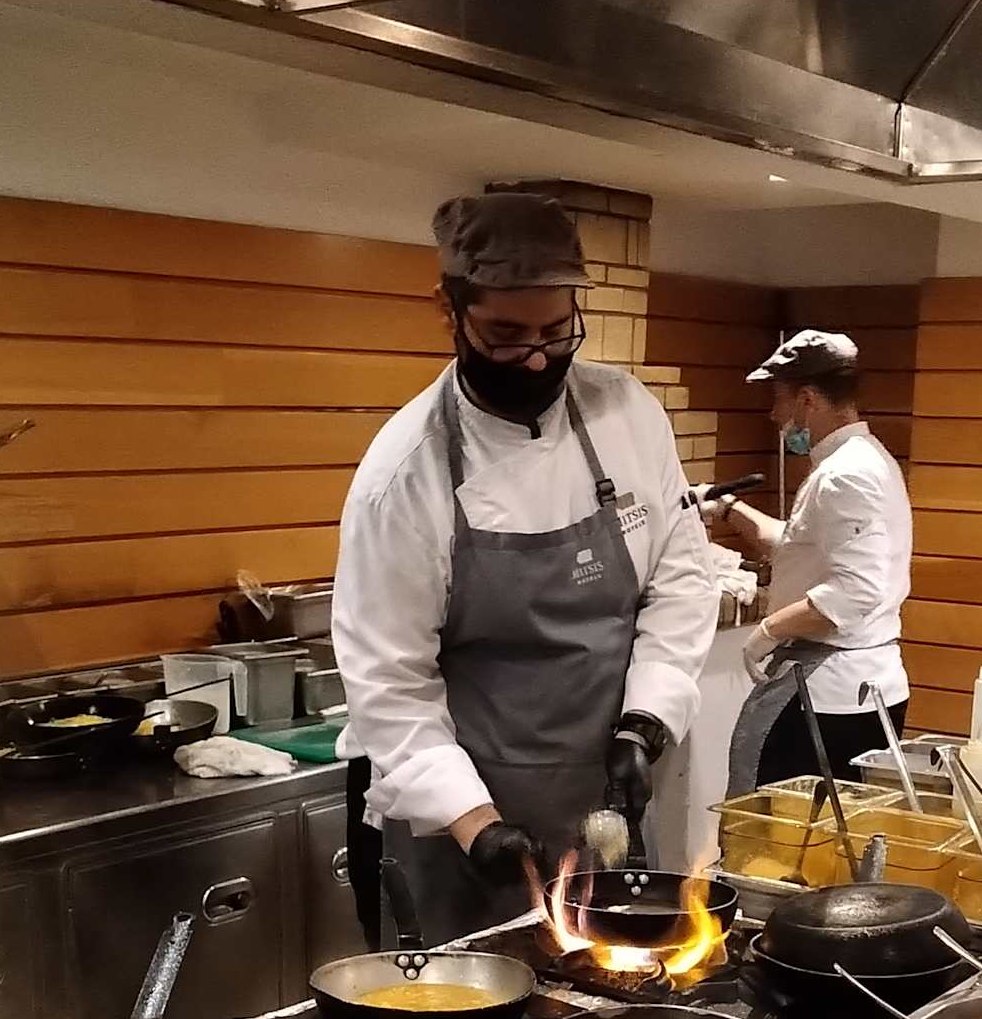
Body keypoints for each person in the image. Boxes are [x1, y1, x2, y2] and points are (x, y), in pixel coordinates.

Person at [333, 191, 717, 945]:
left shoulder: (627, 414)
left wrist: (645, 723)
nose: (538, 358)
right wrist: (475, 824)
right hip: (462, 820)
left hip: (605, 793)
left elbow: (680, 581)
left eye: (555, 331)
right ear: (450, 312)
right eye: (507, 336)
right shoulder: (405, 474)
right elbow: (389, 683)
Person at [704, 329, 914, 792]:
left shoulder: (845, 475)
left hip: (831, 696)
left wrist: (768, 630)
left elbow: (856, 591)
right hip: (855, 690)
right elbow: (796, 545)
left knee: (774, 823)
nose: (774, 415)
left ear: (807, 400)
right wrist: (728, 507)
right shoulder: (863, 460)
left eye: (779, 400)